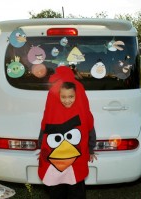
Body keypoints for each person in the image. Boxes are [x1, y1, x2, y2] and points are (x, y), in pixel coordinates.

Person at [38, 66, 97, 199]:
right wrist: (42, 149)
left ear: (77, 96)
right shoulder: (53, 112)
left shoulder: (82, 113)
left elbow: (89, 127)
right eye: (63, 97)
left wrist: (90, 149)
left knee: (75, 186)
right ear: (57, 96)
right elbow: (45, 128)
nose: (67, 100)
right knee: (57, 187)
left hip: (76, 160)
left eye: (71, 97)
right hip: (56, 160)